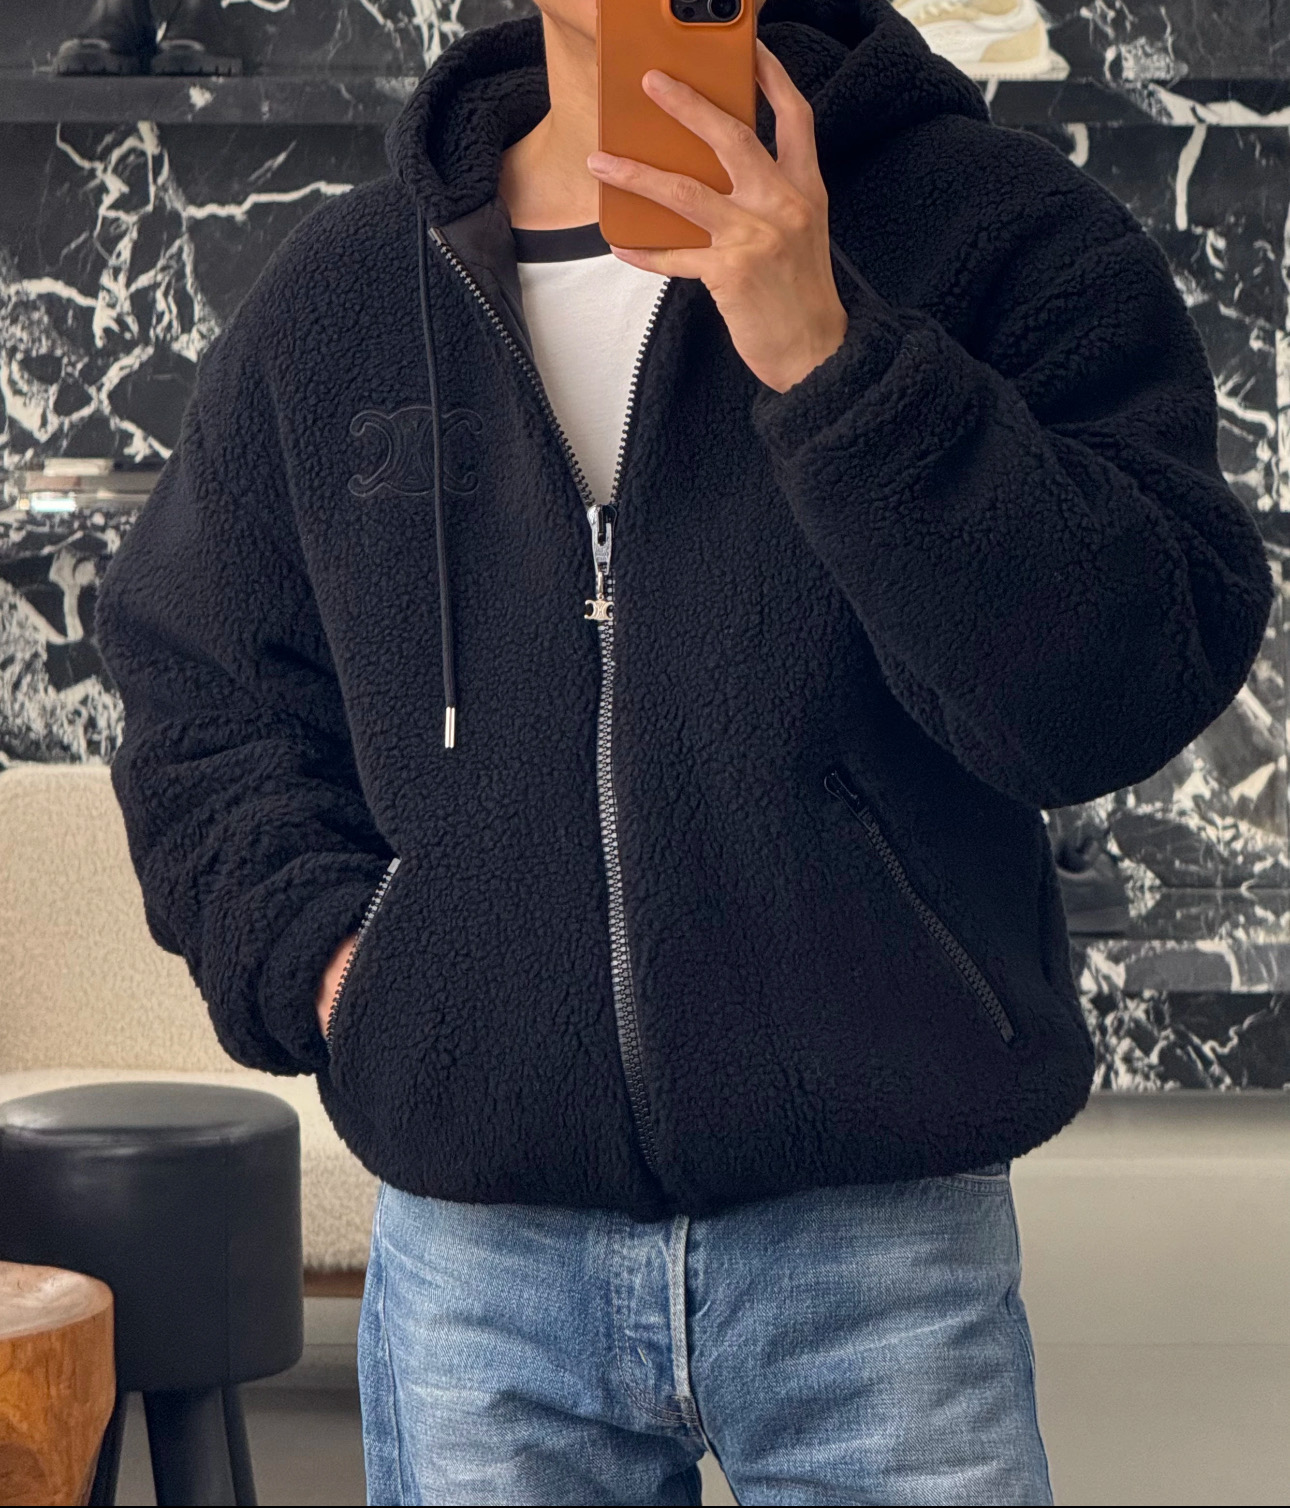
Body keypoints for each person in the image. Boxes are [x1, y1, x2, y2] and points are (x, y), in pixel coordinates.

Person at [93, 0, 1273, 1502]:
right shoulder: (346, 292)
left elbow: (1119, 686)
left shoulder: (999, 234)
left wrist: (833, 357)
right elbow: (198, 694)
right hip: (481, 1260)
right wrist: (343, 964)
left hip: (877, 1242)